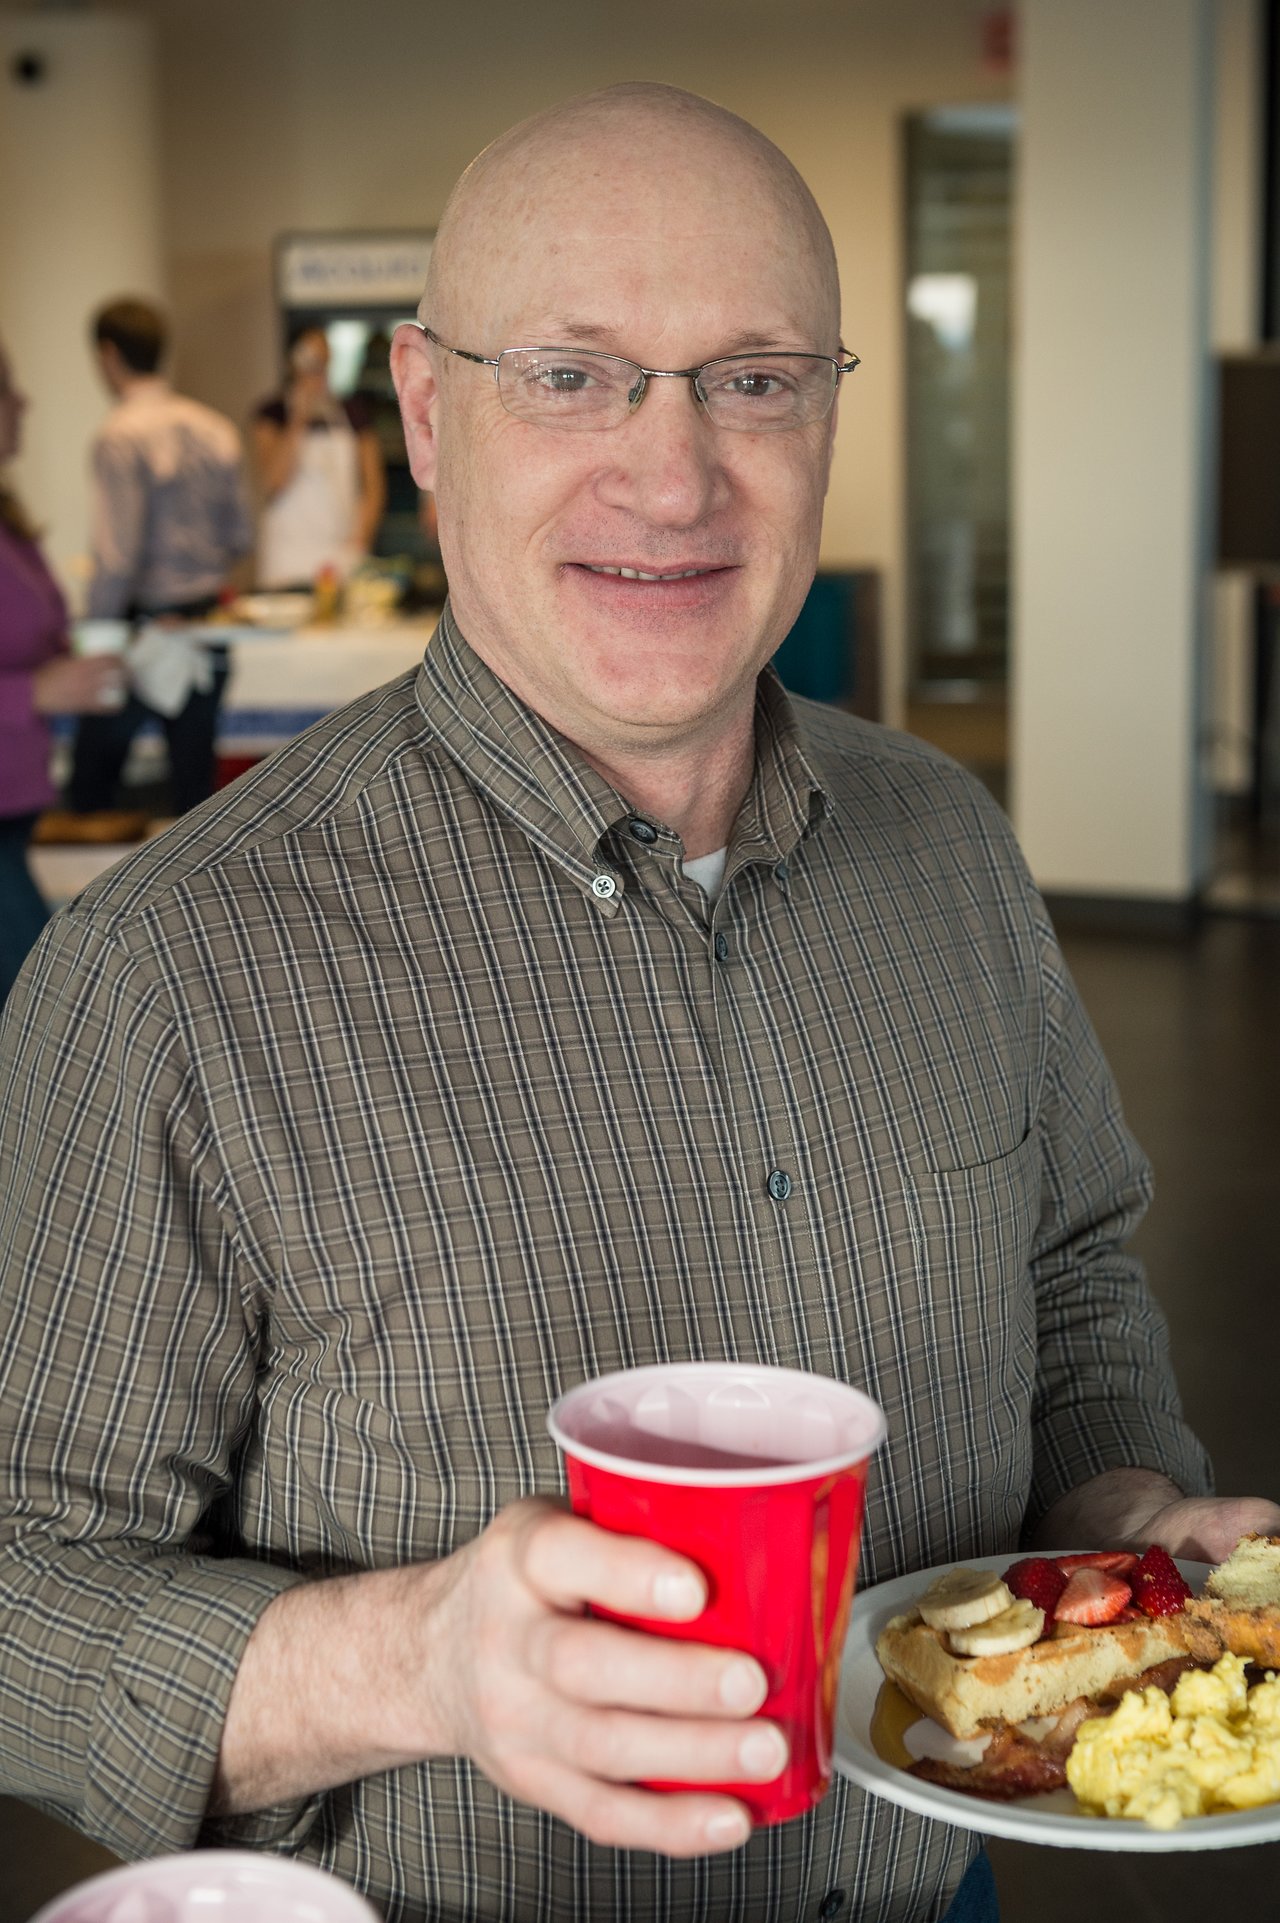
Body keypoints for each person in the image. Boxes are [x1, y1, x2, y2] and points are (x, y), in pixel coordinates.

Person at [0, 84, 1276, 1923]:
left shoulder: (947, 847)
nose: (674, 480)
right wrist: (410, 1659)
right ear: (430, 415)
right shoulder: (172, 971)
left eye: (752, 379)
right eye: (574, 376)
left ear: (830, 410)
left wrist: (1124, 1517)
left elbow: (1068, 1270)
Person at [67, 298, 254, 819]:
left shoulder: (120, 435)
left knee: (93, 783)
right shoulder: (214, 428)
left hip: (142, 626)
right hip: (204, 620)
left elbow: (116, 557)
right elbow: (239, 536)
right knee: (196, 787)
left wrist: (93, 639)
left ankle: (91, 896)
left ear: (108, 355)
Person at [0, 338, 126, 1001]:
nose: (23, 405)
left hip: (17, 802)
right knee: (43, 1002)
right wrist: (34, 692)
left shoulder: (12, 522)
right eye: (8, 391)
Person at [250, 324, 387, 589]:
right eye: (311, 360)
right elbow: (272, 483)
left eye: (324, 360)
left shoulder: (352, 413)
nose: (318, 371)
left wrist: (361, 539)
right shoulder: (272, 414)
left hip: (341, 557)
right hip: (288, 561)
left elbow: (374, 487)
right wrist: (298, 420)